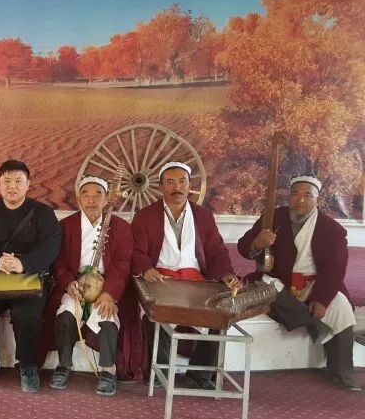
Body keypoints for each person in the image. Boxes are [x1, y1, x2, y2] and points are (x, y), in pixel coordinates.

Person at [237, 175, 361, 393]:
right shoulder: (274, 217)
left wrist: (322, 299)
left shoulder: (332, 230)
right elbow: (243, 246)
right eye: (295, 194)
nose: (300, 200)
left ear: (317, 199)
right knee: (268, 288)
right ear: (289, 196)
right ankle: (314, 326)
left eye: (307, 195)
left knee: (341, 307)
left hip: (315, 284)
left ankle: (342, 373)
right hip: (279, 281)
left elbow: (335, 270)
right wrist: (257, 242)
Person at [131, 161, 242, 390]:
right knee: (154, 313)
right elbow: (135, 251)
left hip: (195, 282)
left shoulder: (203, 216)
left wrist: (226, 274)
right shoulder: (145, 216)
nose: (177, 187)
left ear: (190, 185)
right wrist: (146, 269)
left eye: (182, 181)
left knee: (219, 314)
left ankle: (200, 373)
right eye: (170, 182)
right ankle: (160, 371)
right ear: (161, 187)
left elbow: (216, 250)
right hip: (160, 279)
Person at [0, 160, 61, 393]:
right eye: (6, 181)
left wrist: (24, 263)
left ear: (28, 184)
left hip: (30, 277)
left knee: (27, 316)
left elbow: (51, 246)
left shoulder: (43, 213)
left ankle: (28, 365)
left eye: (18, 181)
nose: (12, 186)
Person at [49, 176, 133, 396]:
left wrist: (110, 293)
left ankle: (108, 370)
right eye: (86, 194)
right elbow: (59, 262)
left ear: (106, 199)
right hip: (76, 284)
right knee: (66, 315)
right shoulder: (66, 226)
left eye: (98, 195)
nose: (91, 200)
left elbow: (122, 263)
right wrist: (68, 283)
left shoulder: (121, 227)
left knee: (107, 317)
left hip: (105, 285)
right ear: (78, 199)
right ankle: (64, 365)